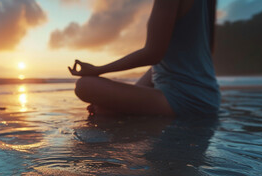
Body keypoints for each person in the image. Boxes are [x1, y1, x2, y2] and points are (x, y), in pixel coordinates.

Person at [69, 0, 220, 117]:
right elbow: (209, 49)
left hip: (185, 99)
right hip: (209, 95)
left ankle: (122, 109)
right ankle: (122, 108)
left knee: (84, 85)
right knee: (105, 105)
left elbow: (153, 54)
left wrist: (97, 69)